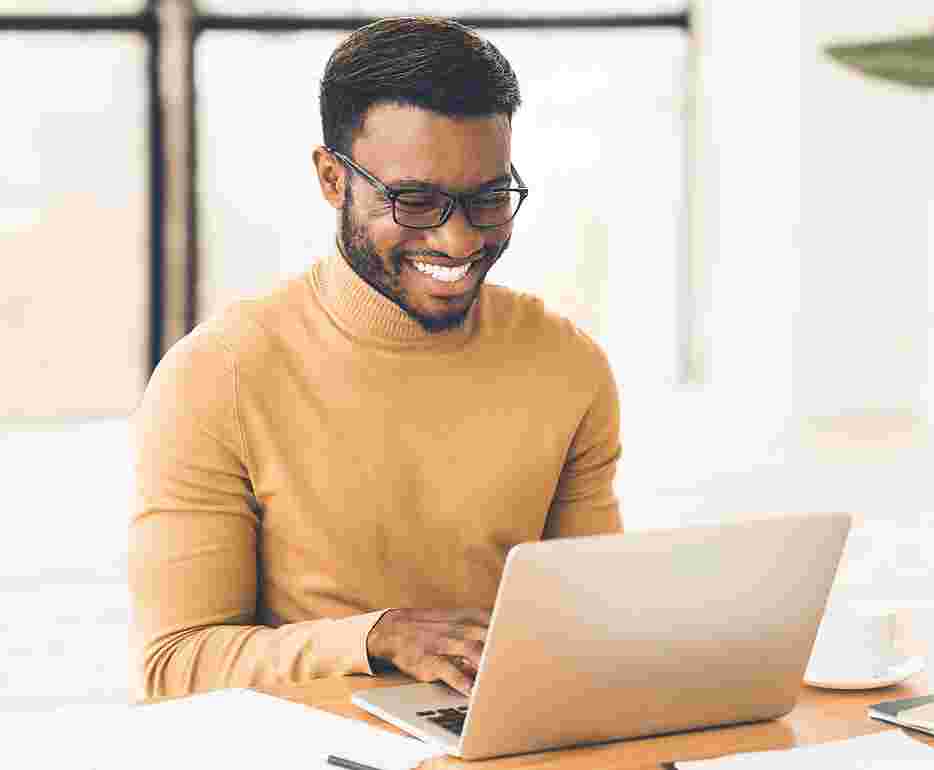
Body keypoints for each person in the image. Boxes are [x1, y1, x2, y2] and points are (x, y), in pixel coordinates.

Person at [128, 17, 622, 700]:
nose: (457, 240)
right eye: (415, 202)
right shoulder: (215, 378)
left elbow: (596, 627)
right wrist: (377, 636)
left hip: (511, 744)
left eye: (488, 199)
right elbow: (174, 666)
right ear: (333, 179)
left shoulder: (569, 368)